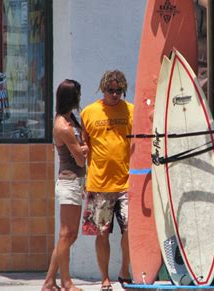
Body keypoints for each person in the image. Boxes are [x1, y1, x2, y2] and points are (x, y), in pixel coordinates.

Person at [80, 70, 133, 291]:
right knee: (101, 234)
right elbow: (83, 149)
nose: (114, 94)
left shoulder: (131, 111)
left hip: (127, 182)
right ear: (103, 88)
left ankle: (124, 270)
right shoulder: (89, 113)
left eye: (118, 91)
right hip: (99, 184)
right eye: (110, 90)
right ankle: (104, 279)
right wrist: (83, 180)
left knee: (131, 229)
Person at [42, 79, 88, 291]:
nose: (79, 98)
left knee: (68, 234)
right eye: (77, 95)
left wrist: (83, 147)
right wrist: (85, 148)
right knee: (68, 234)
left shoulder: (71, 121)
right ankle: (66, 282)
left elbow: (81, 149)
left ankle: (50, 281)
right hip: (69, 181)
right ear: (72, 97)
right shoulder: (63, 126)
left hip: (75, 181)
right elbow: (80, 159)